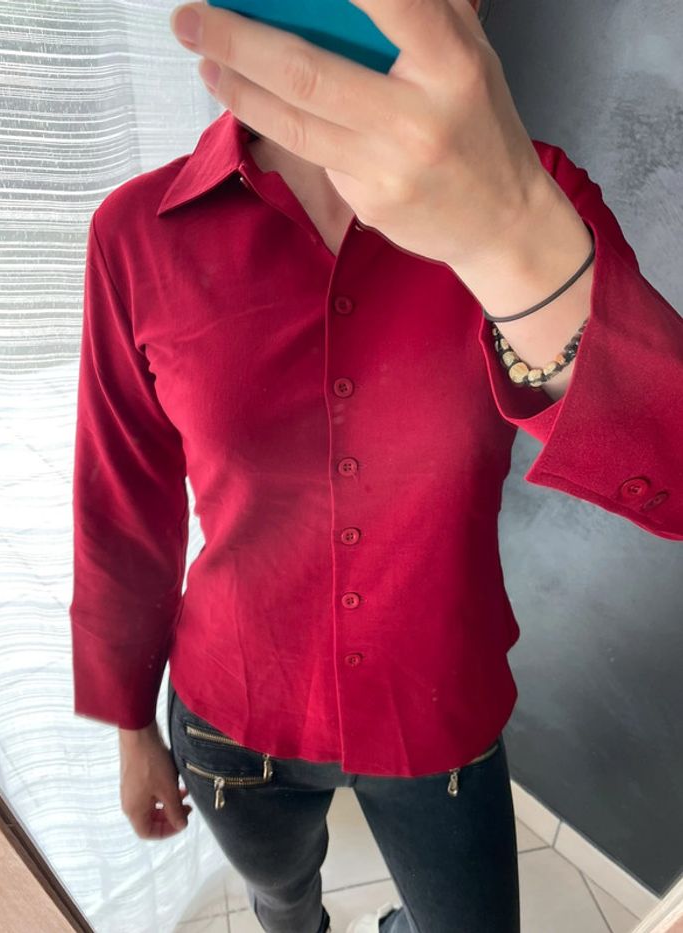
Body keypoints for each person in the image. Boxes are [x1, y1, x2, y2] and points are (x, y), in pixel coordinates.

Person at [69, 1, 683, 931]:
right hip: (235, 722)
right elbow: (120, 507)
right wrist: (130, 728)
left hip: (436, 710)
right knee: (285, 905)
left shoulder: (534, 202)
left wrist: (509, 235)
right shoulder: (135, 235)